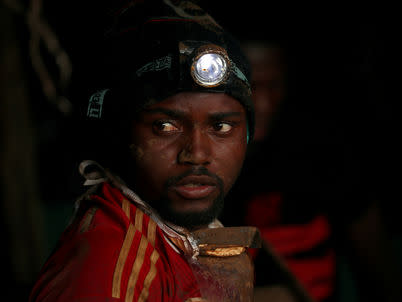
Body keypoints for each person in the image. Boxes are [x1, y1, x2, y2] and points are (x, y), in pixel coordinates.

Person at [28, 1, 261, 301]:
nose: (197, 153)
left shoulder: (180, 238)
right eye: (164, 126)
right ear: (118, 133)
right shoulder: (111, 271)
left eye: (222, 128)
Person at [221, 35, 402, 302]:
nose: (262, 103)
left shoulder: (321, 149)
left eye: (273, 86)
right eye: (251, 86)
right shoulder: (203, 161)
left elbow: (375, 259)